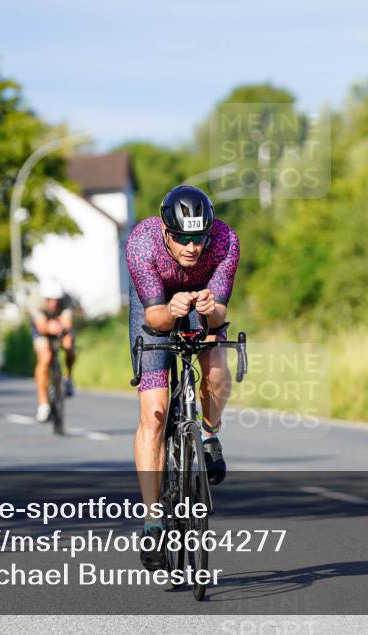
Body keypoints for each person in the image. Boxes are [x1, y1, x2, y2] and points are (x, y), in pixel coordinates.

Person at [124, 185, 240, 570]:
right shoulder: (142, 243)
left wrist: (210, 309)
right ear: (165, 230)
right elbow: (155, 318)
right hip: (156, 306)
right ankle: (153, 522)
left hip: (200, 300)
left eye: (199, 238)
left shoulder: (224, 241)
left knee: (217, 369)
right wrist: (171, 310)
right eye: (183, 239)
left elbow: (219, 316)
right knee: (155, 412)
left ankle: (208, 434)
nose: (193, 247)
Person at [30, 279, 76, 422]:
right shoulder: (35, 300)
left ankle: (68, 377)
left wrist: (62, 329)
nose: (53, 303)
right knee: (45, 357)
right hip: (42, 327)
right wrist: (49, 327)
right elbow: (41, 327)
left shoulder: (67, 300)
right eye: (49, 300)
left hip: (59, 324)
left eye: (56, 300)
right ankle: (43, 404)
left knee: (69, 346)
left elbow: (67, 322)